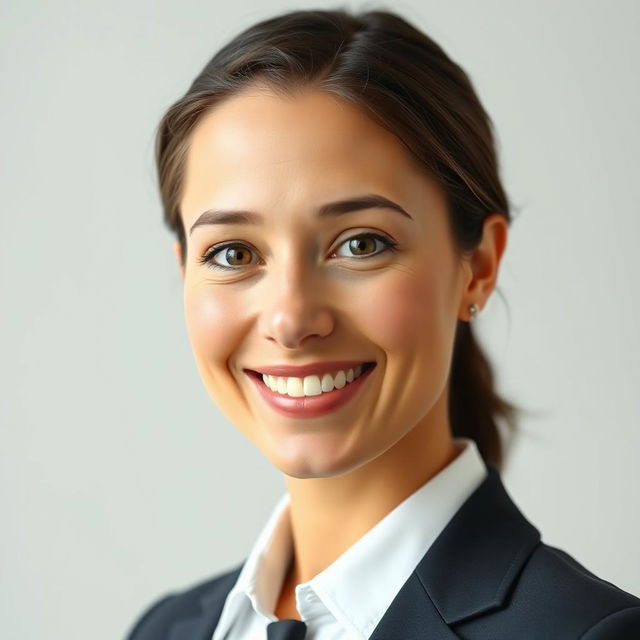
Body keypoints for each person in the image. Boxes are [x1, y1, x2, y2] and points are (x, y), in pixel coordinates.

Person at [125, 7, 640, 639]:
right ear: (185, 274)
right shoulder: (165, 630)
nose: (290, 319)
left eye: (361, 244)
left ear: (477, 265)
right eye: (233, 254)